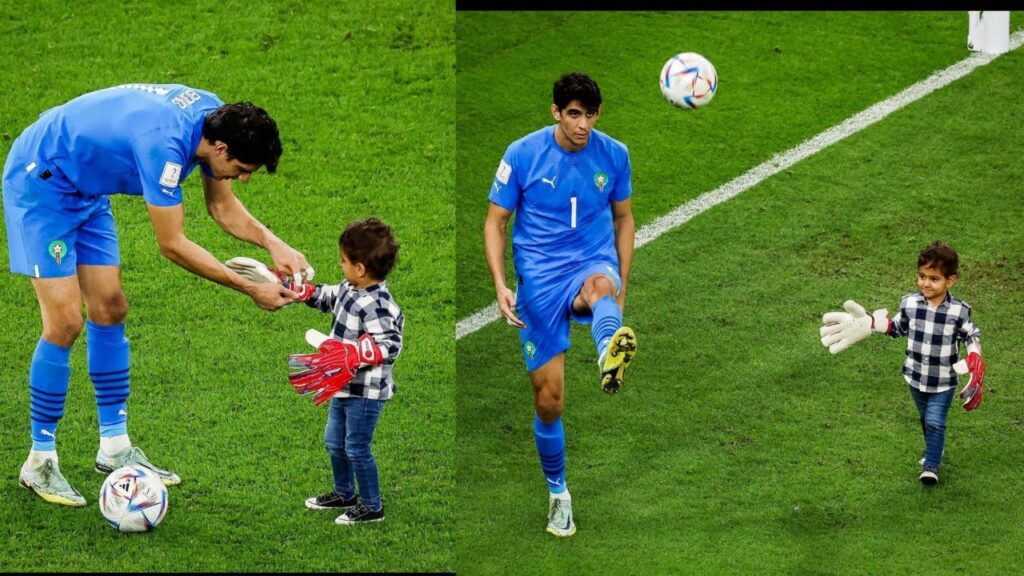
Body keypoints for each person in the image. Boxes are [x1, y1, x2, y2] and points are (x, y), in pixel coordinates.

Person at [2, 83, 311, 507]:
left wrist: (273, 243)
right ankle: (39, 460)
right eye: (241, 168)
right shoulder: (163, 146)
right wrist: (248, 287)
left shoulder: (216, 120)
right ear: (219, 148)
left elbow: (222, 208)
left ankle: (114, 447)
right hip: (41, 186)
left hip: (86, 190)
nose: (242, 177)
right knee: (65, 322)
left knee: (110, 309)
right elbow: (173, 245)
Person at [483, 72, 637, 537]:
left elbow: (625, 218)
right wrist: (500, 284)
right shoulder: (522, 154)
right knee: (549, 402)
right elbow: (495, 223)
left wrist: (621, 282)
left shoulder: (615, 154)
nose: (583, 124)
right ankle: (558, 494)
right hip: (541, 279)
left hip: (592, 259)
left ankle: (610, 345)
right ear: (556, 112)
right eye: (574, 114)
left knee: (600, 289)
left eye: (590, 115)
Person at [819, 241, 986, 485]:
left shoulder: (959, 311)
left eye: (934, 278)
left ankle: (931, 466)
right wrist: (872, 323)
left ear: (950, 280)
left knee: (934, 420)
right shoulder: (909, 303)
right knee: (925, 418)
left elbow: (971, 334)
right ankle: (934, 447)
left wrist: (975, 355)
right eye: (921, 276)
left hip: (943, 380)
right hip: (915, 376)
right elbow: (897, 328)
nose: (925, 283)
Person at [293, 217, 404, 525]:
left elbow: (391, 344)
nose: (339, 265)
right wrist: (299, 291)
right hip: (341, 384)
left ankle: (372, 506)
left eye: (342, 260)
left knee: (356, 447)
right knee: (334, 442)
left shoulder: (377, 305)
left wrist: (355, 353)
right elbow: (327, 296)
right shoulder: (348, 288)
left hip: (365, 392)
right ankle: (345, 493)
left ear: (360, 268)